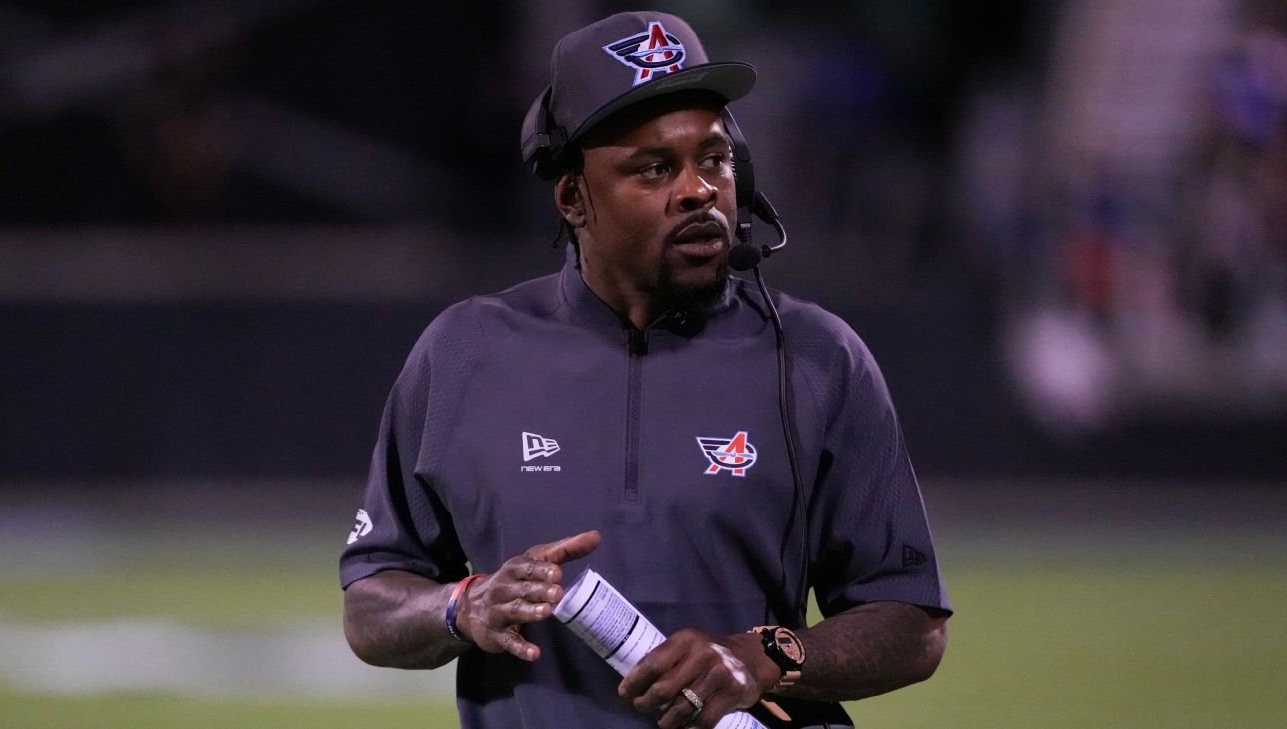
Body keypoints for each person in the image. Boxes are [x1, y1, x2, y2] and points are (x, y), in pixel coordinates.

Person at [340, 11, 950, 729]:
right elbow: (372, 604)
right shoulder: (464, 351)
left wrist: (768, 655)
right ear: (573, 198)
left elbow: (912, 623)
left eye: (715, 159)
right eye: (655, 168)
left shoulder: (816, 356)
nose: (698, 190)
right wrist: (461, 605)